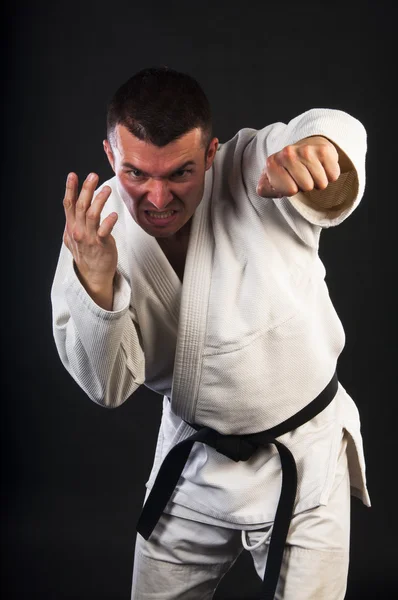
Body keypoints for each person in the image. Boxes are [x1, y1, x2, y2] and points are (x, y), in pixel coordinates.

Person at [51, 67, 371, 600]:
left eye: (179, 173)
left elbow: (329, 130)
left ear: (210, 154)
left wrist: (319, 146)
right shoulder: (94, 233)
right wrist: (98, 279)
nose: (156, 198)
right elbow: (105, 387)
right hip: (195, 462)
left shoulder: (251, 169)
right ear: (110, 158)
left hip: (304, 458)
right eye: (134, 174)